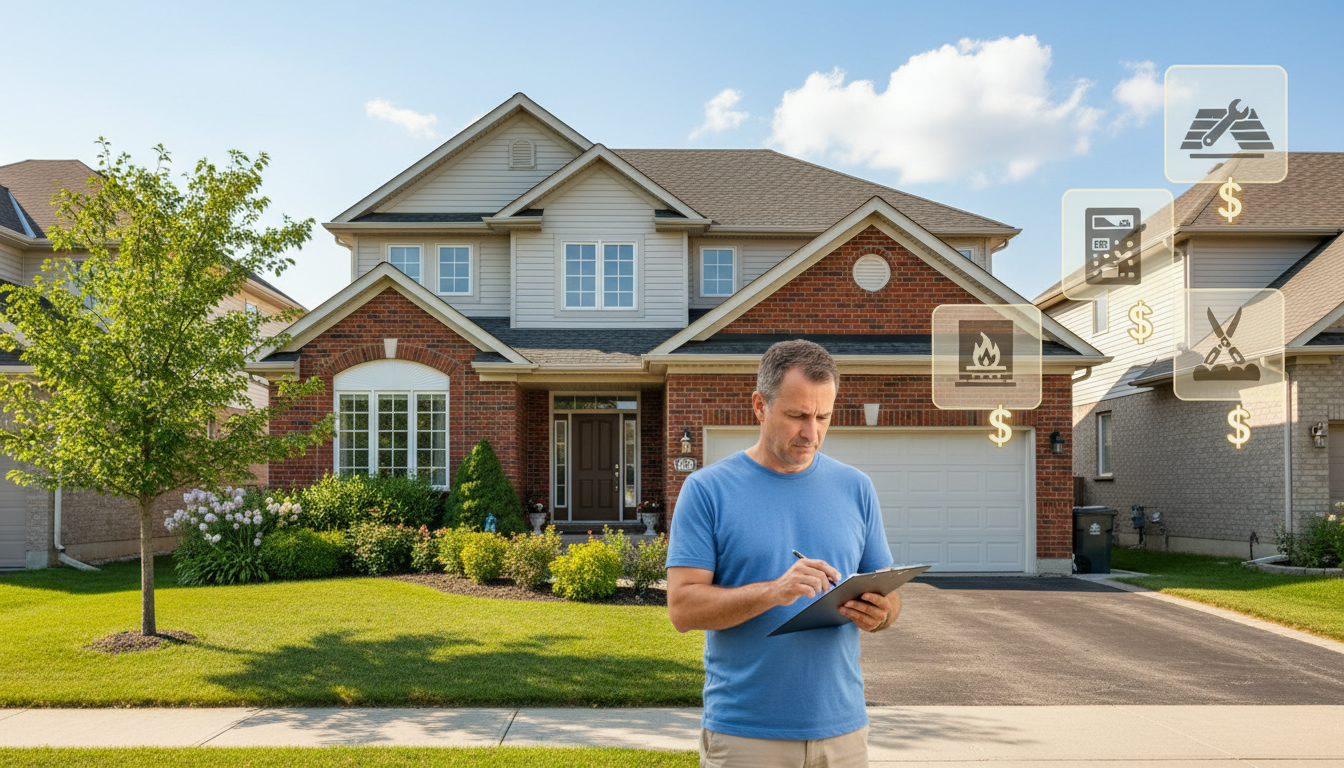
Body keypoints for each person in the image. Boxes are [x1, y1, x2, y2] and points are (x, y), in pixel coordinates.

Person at [667, 339, 899, 768]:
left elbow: (888, 595)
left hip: (843, 731)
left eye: (823, 417)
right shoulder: (707, 491)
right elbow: (683, 608)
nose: (811, 433)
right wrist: (775, 591)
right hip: (745, 735)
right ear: (760, 405)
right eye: (797, 416)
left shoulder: (856, 487)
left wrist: (881, 613)